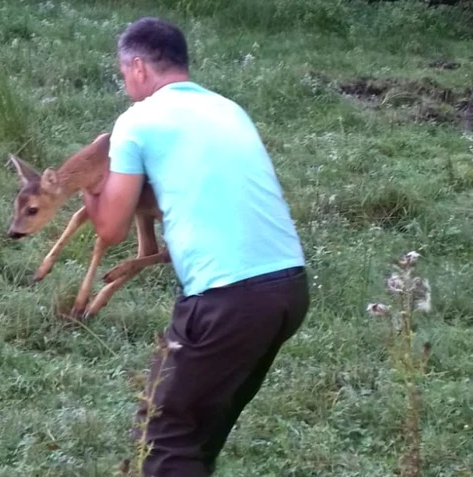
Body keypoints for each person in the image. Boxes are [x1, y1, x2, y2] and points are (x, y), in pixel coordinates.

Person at [83, 17, 310, 477]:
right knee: (199, 434)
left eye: (124, 72)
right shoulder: (229, 109)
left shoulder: (138, 120)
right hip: (289, 289)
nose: (126, 83)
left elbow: (110, 228)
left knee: (162, 438)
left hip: (227, 298)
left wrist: (86, 182)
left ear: (140, 67)